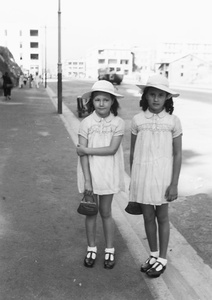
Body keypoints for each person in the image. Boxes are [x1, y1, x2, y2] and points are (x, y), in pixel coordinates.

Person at [129, 74, 182, 278]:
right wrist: (134, 181)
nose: (156, 99)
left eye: (161, 95)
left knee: (162, 217)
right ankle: (152, 254)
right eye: (152, 94)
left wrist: (174, 184)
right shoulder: (137, 120)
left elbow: (177, 154)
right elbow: (133, 153)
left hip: (163, 179)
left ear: (167, 98)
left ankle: (162, 258)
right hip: (142, 177)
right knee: (148, 217)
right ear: (146, 96)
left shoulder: (173, 121)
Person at [76, 80, 125, 269]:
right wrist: (87, 180)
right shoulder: (86, 123)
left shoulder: (118, 122)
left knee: (106, 212)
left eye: (106, 99)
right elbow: (82, 156)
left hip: (108, 172)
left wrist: (86, 150)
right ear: (92, 102)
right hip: (90, 173)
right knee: (91, 212)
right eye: (97, 99)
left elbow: (112, 149)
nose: (102, 103)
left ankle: (110, 250)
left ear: (112, 101)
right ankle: (91, 248)